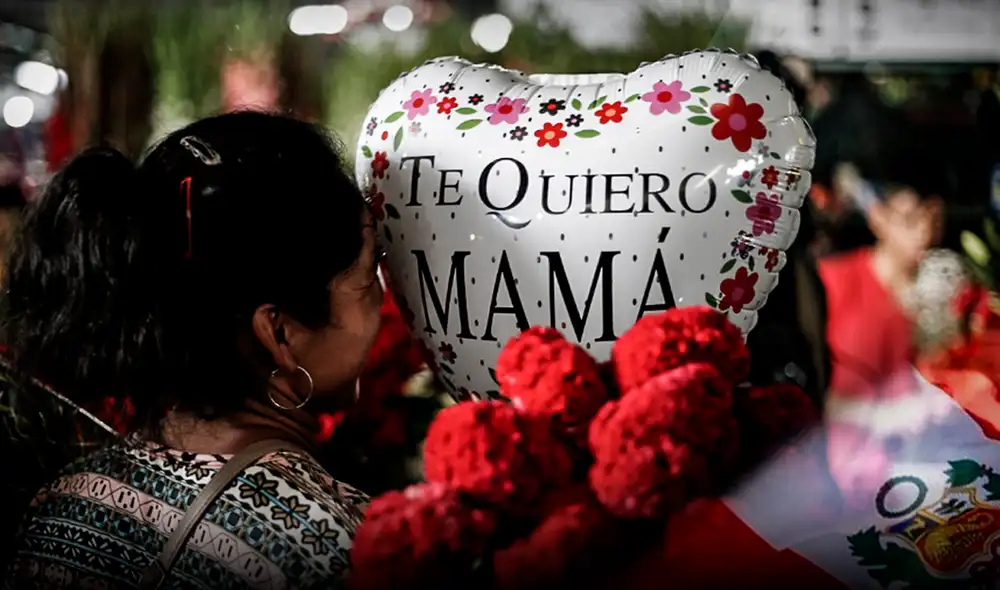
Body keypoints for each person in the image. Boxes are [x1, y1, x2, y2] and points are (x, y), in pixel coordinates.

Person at [2, 111, 384, 589]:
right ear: (279, 334)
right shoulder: (348, 551)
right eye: (369, 275)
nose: (383, 302)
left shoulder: (59, 507)